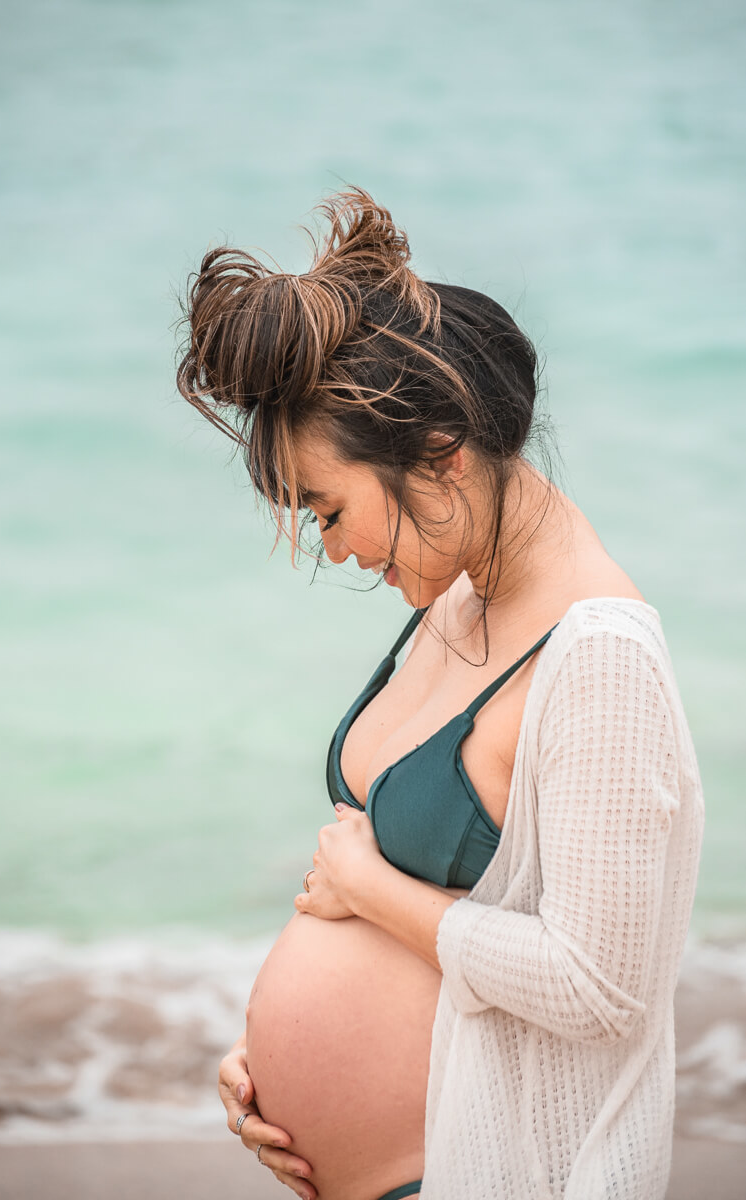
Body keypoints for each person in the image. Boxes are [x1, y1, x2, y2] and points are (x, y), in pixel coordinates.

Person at [176, 189, 704, 1200]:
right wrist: (273, 1074)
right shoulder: (456, 595)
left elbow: (600, 989)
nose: (332, 552)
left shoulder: (595, 659)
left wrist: (367, 890)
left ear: (437, 454)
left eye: (328, 512)